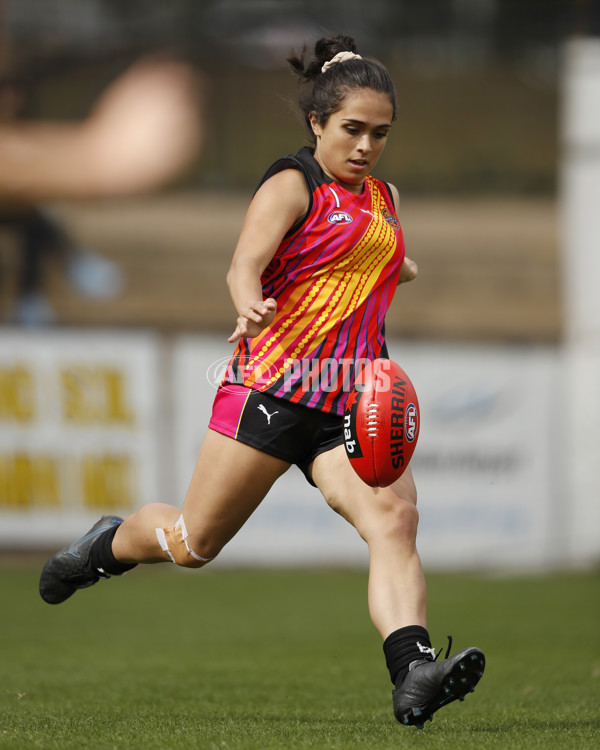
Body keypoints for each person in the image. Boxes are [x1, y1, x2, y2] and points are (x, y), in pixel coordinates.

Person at [39, 35, 485, 729]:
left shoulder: (384, 198)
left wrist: (400, 267)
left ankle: (414, 670)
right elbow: (245, 262)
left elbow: (375, 257)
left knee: (394, 520)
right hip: (271, 392)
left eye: (380, 133)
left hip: (351, 401)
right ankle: (105, 547)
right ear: (317, 123)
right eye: (353, 130)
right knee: (193, 545)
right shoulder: (292, 183)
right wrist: (248, 297)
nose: (366, 146)